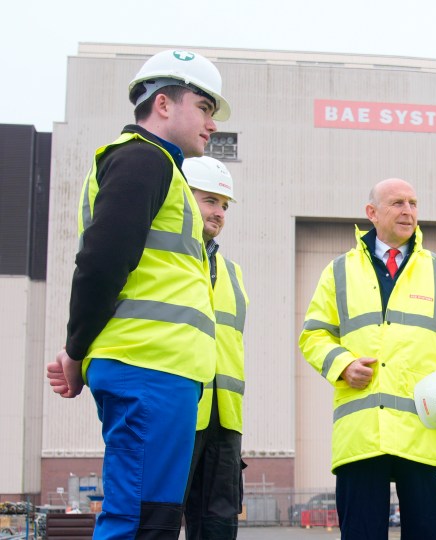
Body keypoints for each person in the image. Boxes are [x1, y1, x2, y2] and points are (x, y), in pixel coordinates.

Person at [45, 49, 230, 539]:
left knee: (155, 519)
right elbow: (102, 262)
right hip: (146, 368)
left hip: (162, 372)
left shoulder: (162, 170)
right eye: (205, 107)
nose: (211, 123)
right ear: (164, 104)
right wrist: (76, 349)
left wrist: (79, 348)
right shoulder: (142, 160)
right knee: (136, 520)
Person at [298, 178, 436, 540]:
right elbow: (313, 335)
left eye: (413, 203)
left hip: (425, 433)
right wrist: (342, 363)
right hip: (362, 436)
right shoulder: (339, 272)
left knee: (428, 533)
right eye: (397, 203)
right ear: (372, 213)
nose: (408, 211)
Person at [181, 157, 249, 540]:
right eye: (210, 200)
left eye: (224, 205)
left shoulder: (232, 271)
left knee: (219, 526)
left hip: (224, 420)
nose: (219, 212)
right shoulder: (162, 257)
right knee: (156, 516)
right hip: (177, 407)